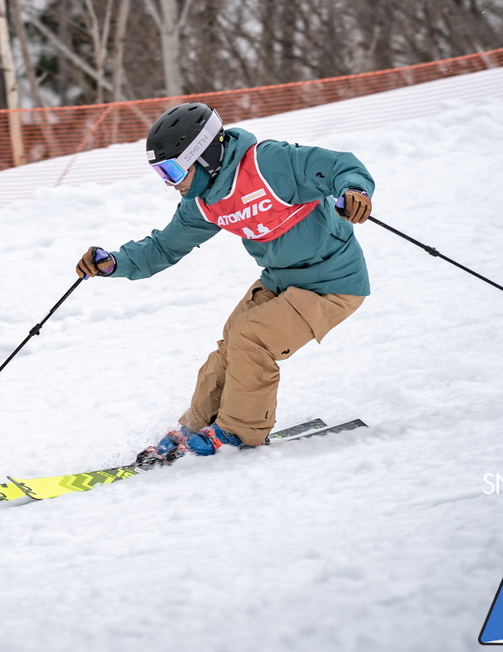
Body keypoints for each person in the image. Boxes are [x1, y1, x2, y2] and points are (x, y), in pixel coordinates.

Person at [75, 102, 374, 466]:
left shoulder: (268, 164)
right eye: (160, 174)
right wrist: (114, 263)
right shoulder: (202, 202)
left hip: (333, 283)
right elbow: (163, 247)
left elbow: (339, 166)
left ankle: (240, 431)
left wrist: (355, 192)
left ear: (203, 155)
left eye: (171, 170)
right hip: (281, 281)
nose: (169, 183)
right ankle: (200, 425)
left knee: (253, 336)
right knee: (234, 338)